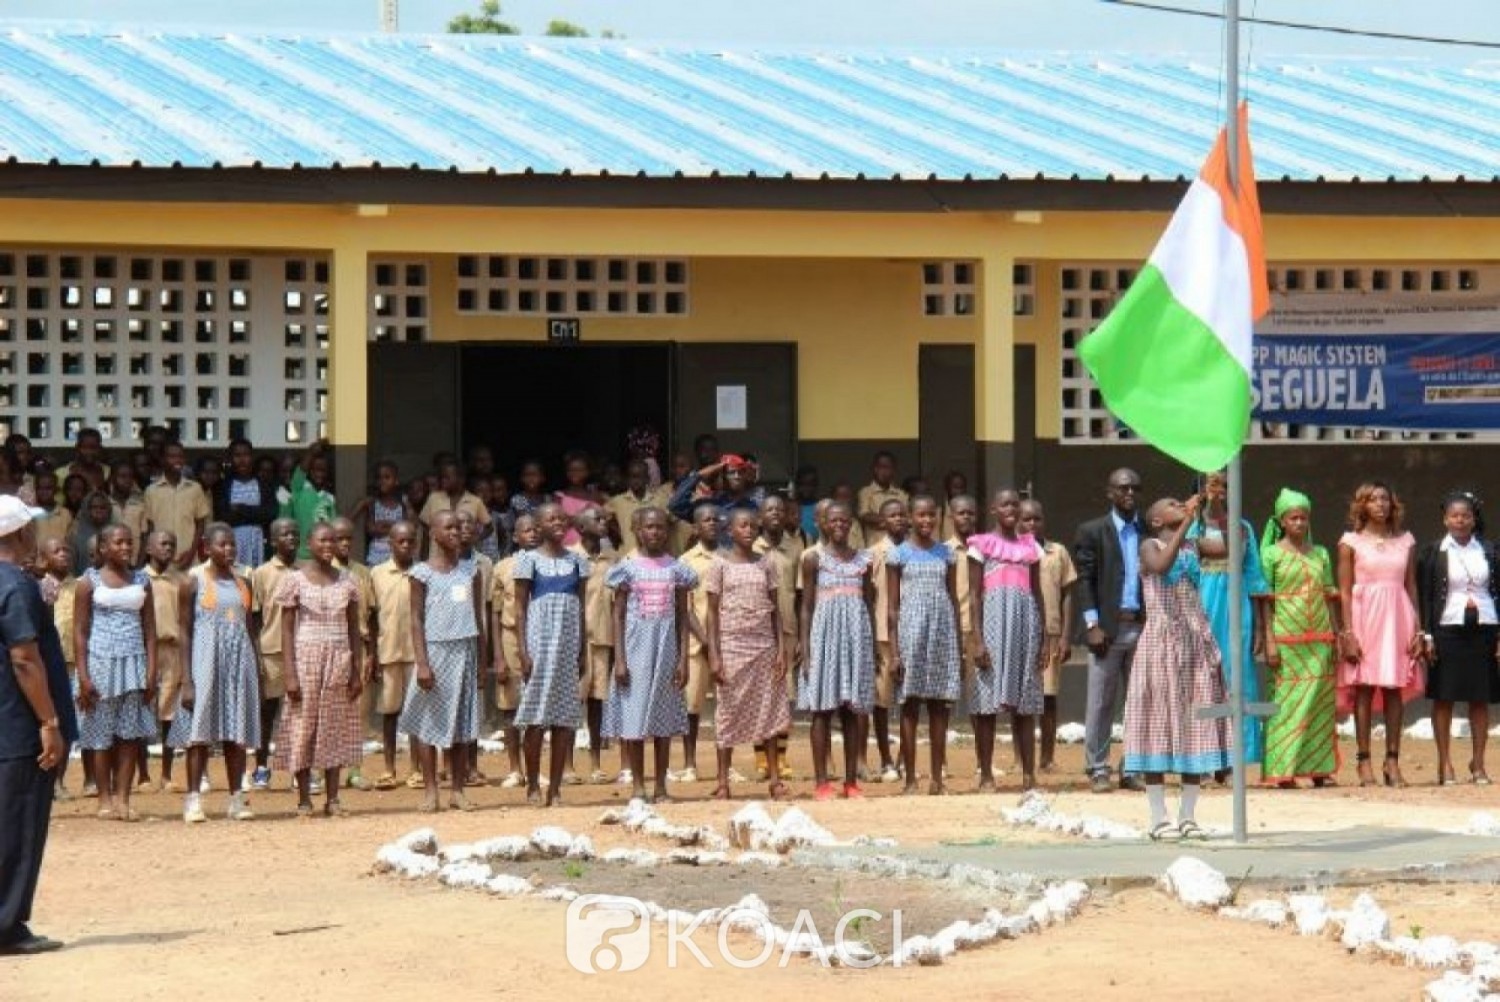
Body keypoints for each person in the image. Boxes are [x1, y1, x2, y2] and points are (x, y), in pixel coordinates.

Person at [1125, 495, 1229, 841]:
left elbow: (1227, 548)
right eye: (1171, 503)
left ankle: (1188, 814)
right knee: (1157, 723)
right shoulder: (1149, 546)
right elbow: (1161, 567)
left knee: (1193, 726)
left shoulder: (1193, 544)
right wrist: (1187, 521)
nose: (1178, 505)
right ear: (1156, 520)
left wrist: (1214, 506)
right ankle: (1158, 817)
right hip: (1160, 645)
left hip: (1193, 644)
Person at [0, 495, 78, 956]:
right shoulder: (17, 586)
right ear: (19, 534)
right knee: (19, 824)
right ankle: (7, 925)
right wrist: (49, 722)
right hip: (19, 724)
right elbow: (25, 659)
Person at [602, 507, 697, 803]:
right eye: (649, 527)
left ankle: (660, 786)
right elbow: (617, 616)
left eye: (660, 528)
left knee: (664, 721)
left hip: (666, 651)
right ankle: (638, 786)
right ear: (638, 531)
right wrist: (619, 659)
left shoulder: (677, 569)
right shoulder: (627, 568)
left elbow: (683, 616)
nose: (654, 532)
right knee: (634, 717)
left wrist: (683, 659)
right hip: (634, 651)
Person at [169, 524, 261, 823]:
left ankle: (236, 798)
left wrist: (254, 668)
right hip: (204, 661)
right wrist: (187, 680)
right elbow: (184, 631)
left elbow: (249, 628)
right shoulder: (193, 580)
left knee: (237, 734)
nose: (229, 550)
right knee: (199, 734)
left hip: (238, 662)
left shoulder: (244, 580)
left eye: (232, 545)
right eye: (222, 545)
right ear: (206, 547)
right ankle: (193, 799)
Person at [274, 522, 363, 817]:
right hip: (306, 659)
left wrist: (356, 669)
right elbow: (286, 631)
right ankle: (303, 799)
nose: (329, 546)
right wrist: (289, 672)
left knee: (334, 725)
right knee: (304, 726)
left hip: (339, 658)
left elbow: (354, 629)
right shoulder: (294, 580)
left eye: (334, 541)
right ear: (309, 543)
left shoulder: (348, 580)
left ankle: (334, 798)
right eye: (323, 540)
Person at [1337, 481, 1423, 788]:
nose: (1381, 505)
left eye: (1385, 498)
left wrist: (1418, 628)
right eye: (1374, 500)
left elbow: (1411, 586)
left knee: (1393, 688)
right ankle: (1363, 761)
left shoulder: (1406, 541)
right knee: (1364, 687)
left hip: (1397, 618)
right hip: (1364, 618)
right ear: (1363, 506)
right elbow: (1345, 592)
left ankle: (1392, 760)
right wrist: (1347, 632)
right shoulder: (1350, 542)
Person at [1187, 471, 1270, 779]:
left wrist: (1262, 629)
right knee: (1204, 682)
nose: (1218, 489)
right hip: (1203, 607)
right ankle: (1207, 759)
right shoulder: (1191, 528)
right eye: (1212, 483)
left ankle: (1235, 758)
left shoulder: (1243, 527)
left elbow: (1256, 579)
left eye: (1223, 484)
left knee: (1238, 679)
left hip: (1238, 609)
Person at [402, 510, 485, 813]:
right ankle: (430, 791)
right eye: (448, 527)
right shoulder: (421, 573)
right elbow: (415, 618)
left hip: (465, 650)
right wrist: (422, 663)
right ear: (434, 533)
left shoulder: (471, 571)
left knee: (461, 725)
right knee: (428, 723)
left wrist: (482, 661)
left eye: (459, 527)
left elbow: (479, 617)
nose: (456, 532)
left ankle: (458, 790)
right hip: (435, 653)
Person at [1259, 488, 1341, 789]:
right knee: (1286, 704)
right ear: (1281, 521)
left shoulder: (1320, 554)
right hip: (1286, 638)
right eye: (1293, 518)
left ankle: (1319, 770)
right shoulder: (1270, 555)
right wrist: (1268, 639)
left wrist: (1337, 634)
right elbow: (1264, 600)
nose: (1299, 523)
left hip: (1320, 639)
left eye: (1304, 518)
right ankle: (1284, 770)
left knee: (1319, 705)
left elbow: (1330, 594)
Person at [74, 524, 157, 822]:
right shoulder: (88, 581)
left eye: (129, 542)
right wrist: (83, 676)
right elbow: (80, 631)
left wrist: (151, 671)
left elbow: (150, 630)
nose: (126, 547)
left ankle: (123, 798)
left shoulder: (143, 580)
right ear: (104, 547)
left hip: (134, 664)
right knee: (100, 735)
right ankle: (104, 799)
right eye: (119, 542)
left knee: (129, 735)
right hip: (100, 663)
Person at [1416, 491, 1499, 786]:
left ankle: (1477, 764)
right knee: (1444, 697)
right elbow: (1425, 596)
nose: (1460, 520)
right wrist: (1426, 634)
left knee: (1480, 699)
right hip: (1446, 629)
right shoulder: (1433, 552)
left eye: (1466, 515)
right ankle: (1445, 764)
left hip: (1484, 629)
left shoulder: (1490, 550)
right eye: (1454, 515)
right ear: (1445, 519)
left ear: (1474, 519)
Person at [706, 509, 788, 800]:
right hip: (731, 645)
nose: (750, 530)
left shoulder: (767, 563)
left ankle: (775, 779)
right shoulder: (719, 564)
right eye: (744, 525)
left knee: (769, 710)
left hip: (764, 645)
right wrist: (714, 654)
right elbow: (712, 614)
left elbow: (776, 609)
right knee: (727, 710)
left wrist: (781, 649)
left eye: (754, 525)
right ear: (730, 530)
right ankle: (723, 781)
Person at [1074, 468, 1148, 794]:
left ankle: (1132, 767)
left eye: (1134, 488)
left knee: (1139, 701)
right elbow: (1085, 580)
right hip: (1107, 629)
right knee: (1101, 702)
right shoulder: (1092, 531)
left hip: (1142, 627)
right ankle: (1098, 767)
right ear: (1110, 493)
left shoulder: (1147, 530)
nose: (1129, 493)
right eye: (1122, 488)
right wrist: (1092, 625)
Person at [513, 502, 590, 807]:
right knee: (534, 719)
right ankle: (533, 784)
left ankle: (555, 788)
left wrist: (583, 647)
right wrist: (522, 649)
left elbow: (582, 606)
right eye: (550, 519)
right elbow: (519, 607)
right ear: (539, 526)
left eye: (562, 518)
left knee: (563, 720)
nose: (558, 522)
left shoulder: (578, 561)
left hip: (568, 646)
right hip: (539, 644)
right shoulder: (527, 560)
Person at [968, 489, 1044, 790]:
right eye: (1005, 504)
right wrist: (978, 639)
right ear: (993, 510)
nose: (1011, 509)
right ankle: (986, 773)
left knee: (1024, 704)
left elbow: (1037, 593)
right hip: (993, 627)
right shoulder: (981, 545)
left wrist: (1042, 640)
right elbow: (974, 595)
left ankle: (1029, 774)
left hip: (1026, 626)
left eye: (1015, 504)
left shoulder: (1031, 548)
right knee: (987, 705)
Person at [798, 501, 874, 800]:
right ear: (823, 524)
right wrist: (805, 646)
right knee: (822, 710)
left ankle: (851, 781)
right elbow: (806, 607)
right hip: (825, 638)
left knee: (851, 711)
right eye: (834, 521)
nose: (840, 525)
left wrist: (869, 645)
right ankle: (821, 783)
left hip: (856, 637)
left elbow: (868, 601)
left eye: (845, 520)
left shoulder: (863, 561)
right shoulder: (813, 559)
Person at [887, 495, 962, 796]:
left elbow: (954, 600)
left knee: (938, 707)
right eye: (921, 515)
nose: (927, 521)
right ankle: (909, 781)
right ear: (910, 517)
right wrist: (894, 650)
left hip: (941, 633)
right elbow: (892, 606)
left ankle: (936, 779)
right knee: (910, 705)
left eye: (932, 515)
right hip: (911, 632)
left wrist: (958, 642)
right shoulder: (898, 554)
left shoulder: (947, 554)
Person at [1020, 498, 1078, 774]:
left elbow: (1067, 594)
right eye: (1026, 519)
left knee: (1048, 697)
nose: (1032, 524)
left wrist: (1066, 635)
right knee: (1022, 699)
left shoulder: (1058, 552)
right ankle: (1023, 758)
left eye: (1036, 519)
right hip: (1021, 632)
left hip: (1051, 633)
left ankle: (1047, 757)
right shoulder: (1013, 552)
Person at [753, 494, 802, 781]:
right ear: (760, 517)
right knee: (760, 698)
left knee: (784, 697)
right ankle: (761, 760)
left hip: (787, 632)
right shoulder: (751, 548)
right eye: (769, 509)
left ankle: (781, 758)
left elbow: (800, 595)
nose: (775, 514)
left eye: (780, 510)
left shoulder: (795, 548)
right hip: (757, 634)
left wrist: (800, 638)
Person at [570, 505, 619, 785]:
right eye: (597, 519)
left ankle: (596, 762)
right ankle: (567, 765)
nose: (603, 522)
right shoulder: (571, 558)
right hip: (576, 640)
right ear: (581, 528)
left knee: (598, 702)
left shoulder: (611, 559)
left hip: (602, 639)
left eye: (604, 518)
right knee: (572, 702)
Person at [249, 518, 298, 791]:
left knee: (298, 713)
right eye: (285, 534)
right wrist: (257, 656)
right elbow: (255, 619)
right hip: (271, 651)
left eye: (294, 533)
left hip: (302, 650)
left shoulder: (305, 571)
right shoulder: (262, 573)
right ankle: (261, 767)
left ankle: (297, 769)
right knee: (267, 713)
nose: (291, 538)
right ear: (272, 540)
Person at [369, 521, 418, 790]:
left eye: (411, 541)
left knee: (415, 713)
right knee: (390, 713)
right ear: (390, 544)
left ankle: (416, 768)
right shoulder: (377, 574)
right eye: (401, 541)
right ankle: (389, 768)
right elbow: (373, 616)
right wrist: (373, 655)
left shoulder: (422, 573)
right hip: (388, 652)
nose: (407, 546)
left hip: (416, 654)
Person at [490, 513, 538, 789]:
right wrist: (498, 655)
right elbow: (496, 614)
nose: (532, 534)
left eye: (535, 529)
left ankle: (535, 769)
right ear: (516, 537)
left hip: (538, 638)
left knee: (538, 707)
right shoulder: (503, 568)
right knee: (510, 705)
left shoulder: (548, 565)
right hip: (509, 637)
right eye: (526, 530)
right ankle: (514, 768)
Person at [676, 504, 720, 782]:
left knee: (726, 708)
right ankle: (690, 764)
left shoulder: (729, 558)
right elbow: (685, 608)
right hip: (696, 644)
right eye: (707, 519)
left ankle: (724, 766)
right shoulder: (686, 562)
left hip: (727, 643)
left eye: (716, 518)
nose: (713, 523)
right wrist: (705, 641)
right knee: (692, 706)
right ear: (695, 527)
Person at [866, 498, 908, 782]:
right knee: (881, 701)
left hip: (910, 633)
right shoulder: (873, 554)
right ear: (882, 522)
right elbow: (869, 597)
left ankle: (906, 759)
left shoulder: (915, 550)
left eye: (902, 515)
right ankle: (885, 757)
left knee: (909, 700)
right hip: (882, 633)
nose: (898, 519)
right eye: (892, 515)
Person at [143, 531, 187, 793]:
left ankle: (167, 774)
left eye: (172, 543)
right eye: (163, 544)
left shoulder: (180, 580)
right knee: (140, 709)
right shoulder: (138, 579)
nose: (168, 548)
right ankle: (142, 774)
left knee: (169, 713)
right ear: (149, 548)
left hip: (173, 650)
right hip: (145, 650)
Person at [35, 539, 80, 799]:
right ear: (44, 558)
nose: (63, 554)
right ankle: (43, 781)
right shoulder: (38, 586)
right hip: (46, 664)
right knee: (47, 721)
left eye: (66, 550)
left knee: (67, 724)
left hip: (73, 663)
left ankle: (59, 782)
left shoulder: (82, 586)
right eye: (57, 551)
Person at [143, 442, 209, 573]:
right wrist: (155, 555)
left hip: (190, 558)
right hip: (161, 559)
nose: (177, 460)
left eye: (180, 456)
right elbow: (150, 528)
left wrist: (191, 554)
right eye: (172, 456)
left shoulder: (195, 489)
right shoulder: (151, 491)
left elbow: (200, 525)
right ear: (162, 460)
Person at [218, 438, 277, 571]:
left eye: (246, 455)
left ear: (252, 457)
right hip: (233, 544)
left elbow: (269, 513)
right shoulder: (223, 485)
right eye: (237, 456)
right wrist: (254, 513)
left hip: (259, 542)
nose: (242, 460)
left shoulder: (264, 484)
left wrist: (239, 509)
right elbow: (224, 517)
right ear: (230, 458)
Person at [278, 440, 336, 562]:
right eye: (315, 470)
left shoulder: (329, 498)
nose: (319, 474)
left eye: (322, 470)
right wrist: (311, 451)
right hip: (302, 555)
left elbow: (333, 526)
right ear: (308, 471)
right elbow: (301, 470)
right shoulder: (299, 489)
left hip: (323, 555)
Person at [420, 460, 492, 557]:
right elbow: (425, 528)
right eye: (442, 478)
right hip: (437, 556)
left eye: (447, 477)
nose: (443, 480)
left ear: (461, 479)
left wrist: (475, 539)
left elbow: (489, 527)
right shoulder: (434, 498)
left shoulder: (475, 501)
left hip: (464, 557)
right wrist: (424, 556)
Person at [604, 459, 668, 555]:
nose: (635, 481)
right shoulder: (618, 501)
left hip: (654, 557)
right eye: (632, 477)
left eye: (639, 477)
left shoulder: (660, 500)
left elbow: (671, 522)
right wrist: (618, 532)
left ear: (647, 478)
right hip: (627, 555)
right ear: (627, 479)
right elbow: (603, 518)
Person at [355, 460, 412, 568]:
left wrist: (385, 526)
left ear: (396, 481)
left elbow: (409, 529)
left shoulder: (401, 505)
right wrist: (395, 527)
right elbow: (371, 529)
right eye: (378, 478)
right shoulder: (374, 503)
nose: (382, 481)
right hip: (377, 555)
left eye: (387, 477)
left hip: (396, 555)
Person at [857, 451, 908, 548]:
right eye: (879, 467)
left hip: (899, 547)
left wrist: (880, 522)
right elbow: (865, 516)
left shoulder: (901, 494)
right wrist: (894, 522)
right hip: (874, 547)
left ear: (893, 470)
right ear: (874, 469)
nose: (883, 471)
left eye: (887, 467)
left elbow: (907, 519)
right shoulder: (865, 492)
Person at [556, 452, 602, 548]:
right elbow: (557, 521)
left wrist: (574, 519)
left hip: (589, 547)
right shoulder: (559, 496)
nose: (575, 473)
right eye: (571, 470)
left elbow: (599, 520)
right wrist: (583, 518)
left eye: (580, 470)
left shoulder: (594, 496)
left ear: (587, 472)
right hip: (565, 545)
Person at [106, 464, 148, 566]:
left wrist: (139, 563)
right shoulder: (104, 504)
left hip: (134, 562)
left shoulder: (140, 504)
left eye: (130, 477)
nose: (127, 480)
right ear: (112, 478)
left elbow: (144, 536)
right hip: (109, 562)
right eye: (122, 476)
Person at [68, 491, 115, 577]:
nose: (98, 511)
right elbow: (70, 566)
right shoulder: (76, 534)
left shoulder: (115, 533)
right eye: (94, 507)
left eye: (102, 508)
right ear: (87, 510)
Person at [56, 427, 109, 493]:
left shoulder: (109, 473)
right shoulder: (61, 475)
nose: (89, 452)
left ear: (100, 449)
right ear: (77, 448)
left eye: (93, 448)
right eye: (84, 447)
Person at [32, 472, 71, 554]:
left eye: (48, 488)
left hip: (59, 561)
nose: (44, 492)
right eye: (40, 488)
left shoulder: (65, 514)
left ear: (56, 489)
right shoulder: (30, 513)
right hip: (37, 563)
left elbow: (69, 542)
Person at [792, 466, 820, 544]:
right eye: (802, 484)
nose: (806, 488)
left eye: (810, 484)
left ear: (816, 486)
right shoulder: (791, 508)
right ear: (797, 485)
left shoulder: (821, 508)